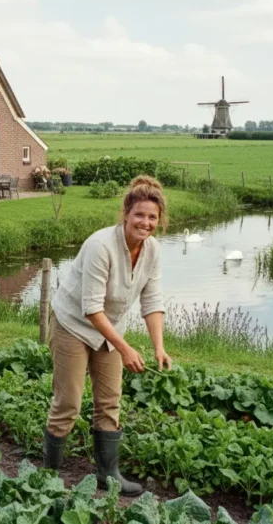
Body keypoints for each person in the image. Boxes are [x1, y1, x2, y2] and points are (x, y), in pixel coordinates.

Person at [43, 175, 172, 497]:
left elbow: (152, 300)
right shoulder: (101, 245)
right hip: (73, 323)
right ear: (126, 214)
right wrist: (126, 348)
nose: (145, 222)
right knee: (69, 401)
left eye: (152, 217)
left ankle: (108, 474)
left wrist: (159, 347)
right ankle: (49, 474)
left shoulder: (152, 250)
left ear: (159, 221)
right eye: (139, 215)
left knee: (109, 401)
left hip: (109, 329)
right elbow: (90, 308)